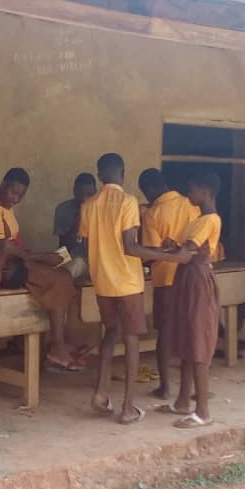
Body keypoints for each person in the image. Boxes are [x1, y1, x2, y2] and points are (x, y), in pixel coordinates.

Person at [78, 153, 193, 425]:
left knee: (110, 334)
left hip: (102, 282)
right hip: (127, 282)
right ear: (123, 172)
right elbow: (130, 247)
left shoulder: (88, 205)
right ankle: (128, 406)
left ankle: (101, 392)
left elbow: (85, 247)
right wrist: (172, 257)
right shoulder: (128, 202)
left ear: (99, 174)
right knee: (131, 341)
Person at [0, 168, 87, 372]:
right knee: (59, 280)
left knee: (62, 273)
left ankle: (59, 343)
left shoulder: (6, 208)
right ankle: (57, 347)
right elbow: (1, 247)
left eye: (20, 196)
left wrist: (36, 256)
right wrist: (32, 257)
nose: (15, 199)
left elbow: (15, 244)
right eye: (13, 193)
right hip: (1, 266)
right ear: (3, 184)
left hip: (17, 259)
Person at [159, 171, 223, 429]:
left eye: (193, 190)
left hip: (197, 281)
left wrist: (144, 252)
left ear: (206, 192)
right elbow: (184, 250)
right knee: (187, 338)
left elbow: (187, 255)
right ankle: (183, 400)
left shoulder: (210, 220)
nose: (189, 194)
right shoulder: (197, 219)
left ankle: (203, 411)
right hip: (186, 279)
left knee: (198, 340)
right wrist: (172, 246)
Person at [139, 169, 200, 400]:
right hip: (190, 277)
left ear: (149, 189)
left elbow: (151, 252)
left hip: (165, 278)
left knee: (164, 333)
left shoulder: (153, 213)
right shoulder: (191, 204)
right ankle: (192, 388)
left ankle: (165, 387)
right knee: (191, 331)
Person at [52, 173, 96, 280]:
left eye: (89, 194)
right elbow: (64, 245)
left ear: (95, 193)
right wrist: (79, 220)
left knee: (77, 263)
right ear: (75, 191)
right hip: (70, 254)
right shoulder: (63, 209)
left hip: (94, 259)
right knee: (52, 262)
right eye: (82, 194)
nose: (85, 198)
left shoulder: (101, 210)